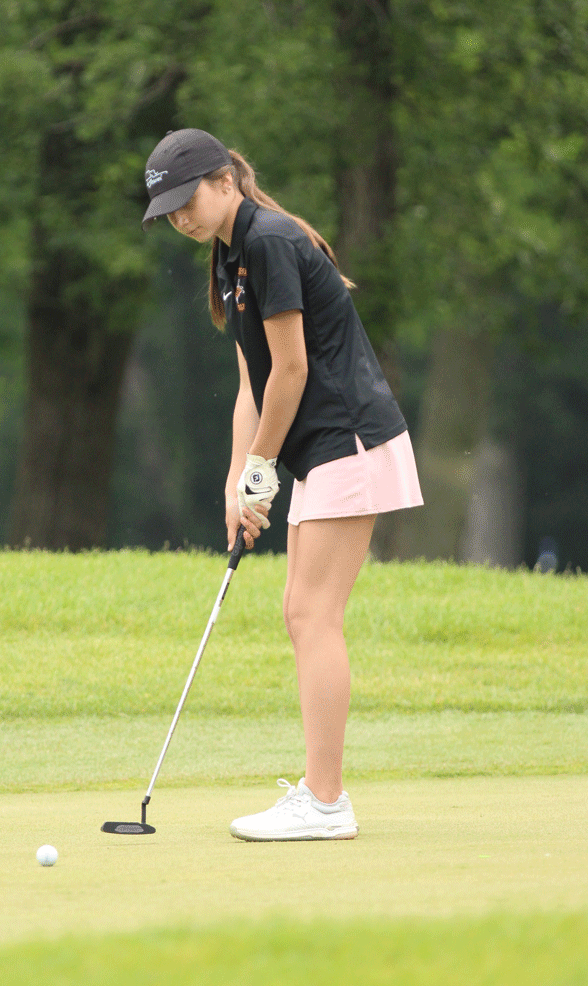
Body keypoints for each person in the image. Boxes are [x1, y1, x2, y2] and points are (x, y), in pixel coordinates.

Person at [142, 129, 423, 841]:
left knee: (312, 616)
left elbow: (293, 371)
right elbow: (253, 381)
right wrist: (239, 480)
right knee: (302, 613)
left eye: (186, 200)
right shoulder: (231, 255)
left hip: (348, 441)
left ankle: (326, 804)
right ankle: (319, 794)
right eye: (168, 210)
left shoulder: (268, 240)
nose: (180, 217)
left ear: (224, 181)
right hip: (322, 450)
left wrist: (264, 471)